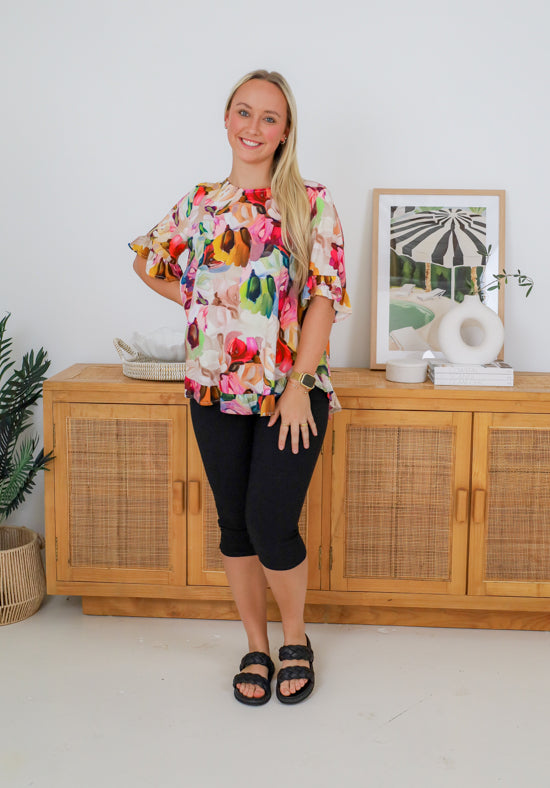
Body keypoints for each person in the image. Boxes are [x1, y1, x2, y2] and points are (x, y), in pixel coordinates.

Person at [130, 69, 351, 705]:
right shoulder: (200, 203)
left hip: (290, 392)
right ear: (227, 119)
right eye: (244, 112)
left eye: (269, 118)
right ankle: (255, 644)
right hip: (213, 391)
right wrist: (199, 303)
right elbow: (147, 259)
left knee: (271, 521)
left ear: (285, 133)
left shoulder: (310, 202)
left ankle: (295, 639)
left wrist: (301, 385)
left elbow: (322, 300)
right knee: (235, 525)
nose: (253, 128)